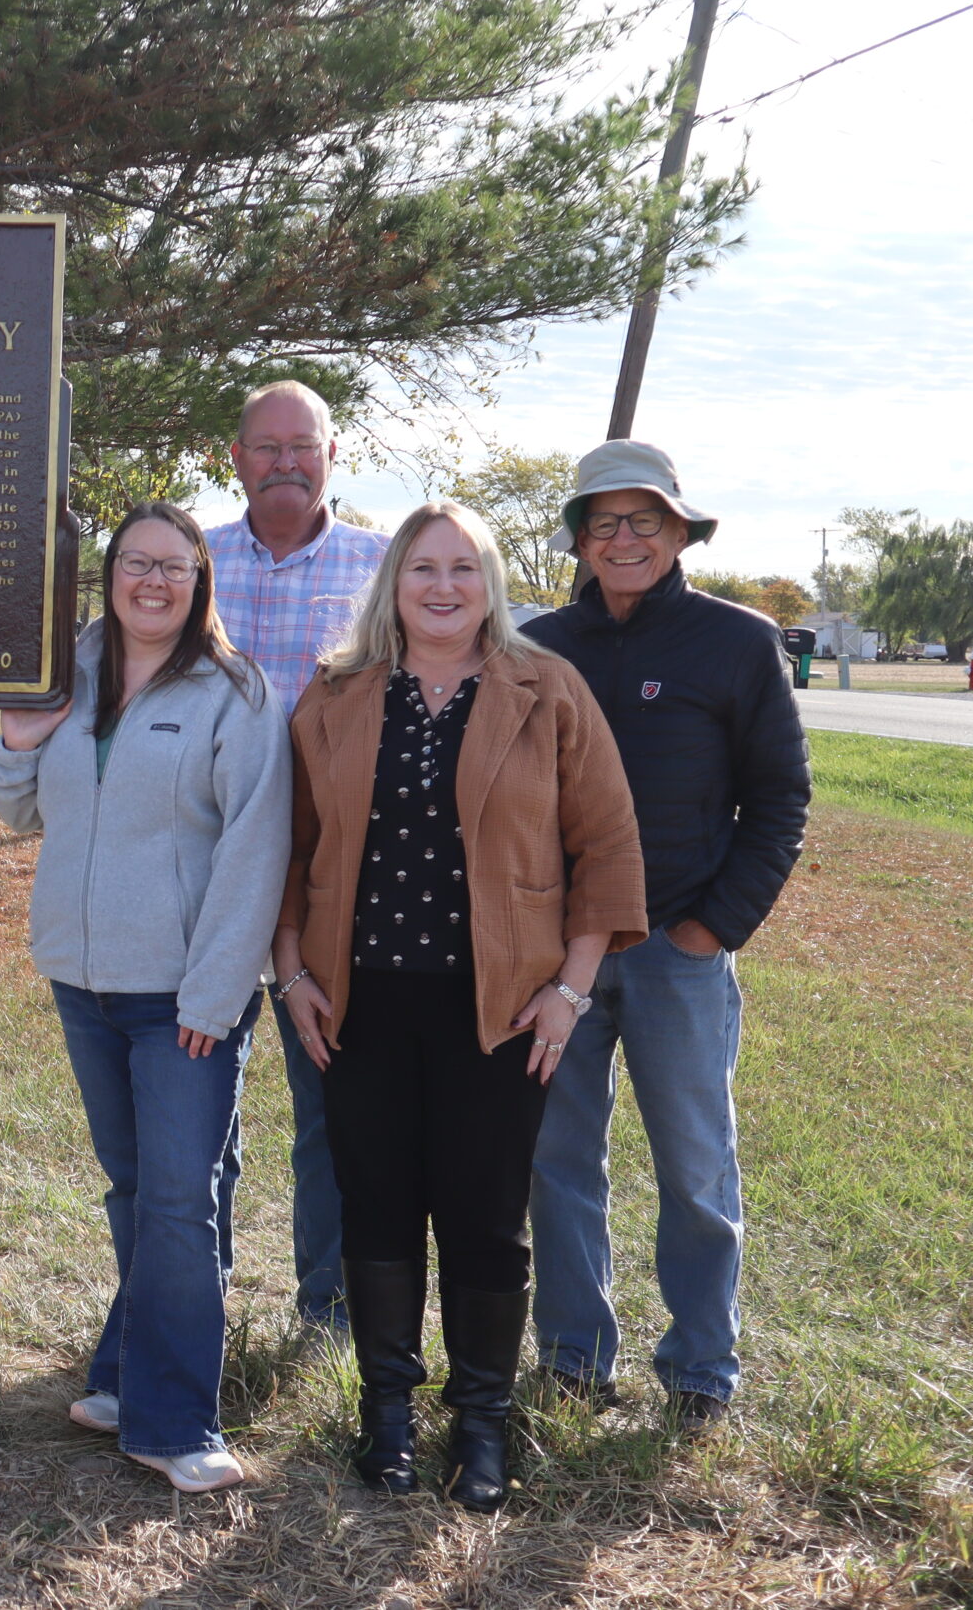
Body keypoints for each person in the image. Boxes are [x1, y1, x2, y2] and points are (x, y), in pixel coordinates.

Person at [275, 501, 645, 1512]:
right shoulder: (337, 693)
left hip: (503, 1006)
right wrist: (291, 975)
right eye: (422, 568)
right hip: (358, 1002)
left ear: (490, 584)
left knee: (485, 1218)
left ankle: (479, 1420)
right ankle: (386, 1413)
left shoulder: (546, 689)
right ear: (391, 583)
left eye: (463, 569)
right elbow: (288, 847)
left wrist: (571, 990)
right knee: (377, 1205)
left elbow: (604, 847)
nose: (442, 587)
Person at [0, 502, 291, 1494]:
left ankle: (175, 1424)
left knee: (176, 1203)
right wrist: (18, 738)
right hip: (82, 978)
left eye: (173, 565)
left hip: (181, 998)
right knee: (137, 1191)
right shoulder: (63, 670)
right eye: (134, 563)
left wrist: (214, 996)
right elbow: (14, 808)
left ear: (200, 581)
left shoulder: (235, 695)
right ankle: (124, 1376)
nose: (151, 581)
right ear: (108, 573)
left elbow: (254, 856)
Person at [525, 442, 810, 1434]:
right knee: (556, 1163)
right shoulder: (538, 644)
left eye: (644, 519)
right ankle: (569, 1359)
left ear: (681, 531)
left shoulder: (737, 643)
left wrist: (710, 929)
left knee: (694, 1169)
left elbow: (779, 801)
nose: (624, 539)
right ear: (578, 539)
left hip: (673, 952)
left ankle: (700, 1372)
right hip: (557, 958)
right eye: (602, 521)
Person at [203, 380, 391, 1340]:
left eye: (301, 445)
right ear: (234, 457)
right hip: (208, 875)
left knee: (332, 1107)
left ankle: (330, 1308)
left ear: (330, 455)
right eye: (264, 445)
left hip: (332, 884)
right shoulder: (191, 564)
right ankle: (201, 1296)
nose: (284, 461)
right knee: (199, 1105)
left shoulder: (383, 568)